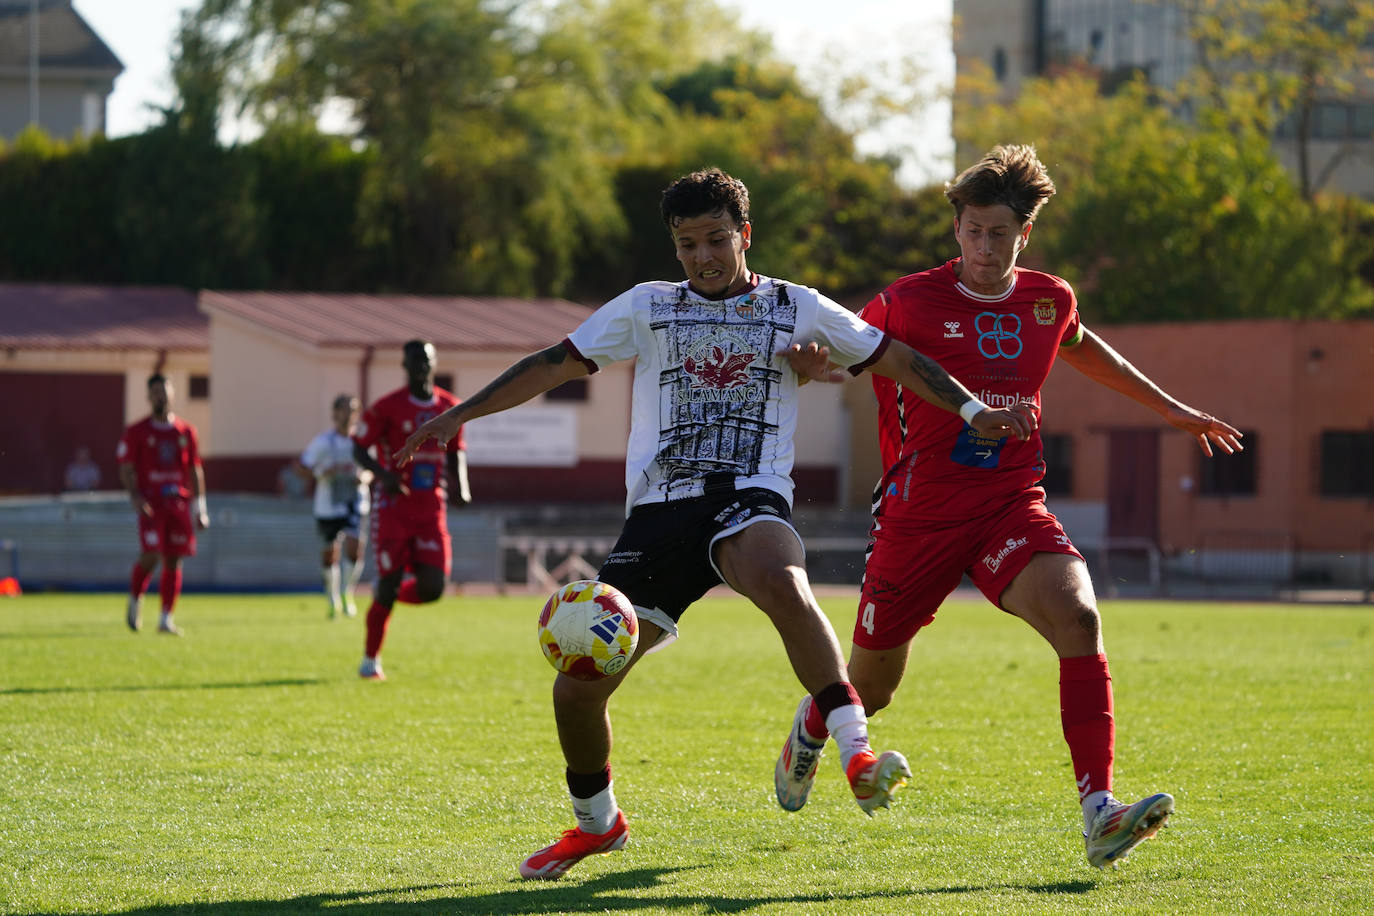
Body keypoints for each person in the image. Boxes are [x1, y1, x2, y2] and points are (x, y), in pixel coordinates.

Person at [396, 167, 1034, 881]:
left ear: (745, 235)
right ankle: (598, 825)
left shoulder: (796, 305)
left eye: (716, 240)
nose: (702, 256)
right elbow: (553, 364)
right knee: (576, 687)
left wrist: (975, 411)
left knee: (781, 579)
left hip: (747, 496)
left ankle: (855, 753)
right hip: (658, 516)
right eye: (687, 243)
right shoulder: (646, 306)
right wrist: (459, 414)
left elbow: (897, 359)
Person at [773, 145, 1244, 869]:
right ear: (956, 228)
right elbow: (844, 352)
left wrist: (1172, 410)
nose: (984, 248)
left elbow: (1085, 348)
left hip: (1010, 505)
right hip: (918, 518)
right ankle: (812, 729)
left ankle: (1099, 812)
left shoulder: (1049, 299)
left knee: (1079, 618)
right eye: (973, 231)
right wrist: (812, 368)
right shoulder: (906, 301)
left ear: (1025, 232)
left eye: (999, 233)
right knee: (871, 689)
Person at [351, 340, 472, 680]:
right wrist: (384, 476)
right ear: (404, 365)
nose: (421, 366)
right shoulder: (386, 407)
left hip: (431, 508)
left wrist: (462, 486)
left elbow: (456, 451)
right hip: (394, 508)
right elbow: (358, 448)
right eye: (415, 360)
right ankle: (370, 659)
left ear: (435, 363)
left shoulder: (450, 407)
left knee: (433, 587)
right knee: (389, 584)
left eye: (426, 360)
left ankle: (383, 594)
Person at [116, 374, 210, 635]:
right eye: (156, 392)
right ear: (149, 397)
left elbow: (194, 470)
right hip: (151, 503)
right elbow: (126, 468)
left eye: (164, 392)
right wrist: (135, 497)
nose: (160, 397)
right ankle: (135, 597)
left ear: (172, 395)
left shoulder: (186, 432)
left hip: (177, 503)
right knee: (152, 553)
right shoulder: (137, 432)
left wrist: (200, 508)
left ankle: (165, 618)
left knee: (174, 558)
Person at [296, 394, 371, 619]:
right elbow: (301, 467)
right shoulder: (323, 442)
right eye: (343, 409)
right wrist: (321, 473)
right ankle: (332, 598)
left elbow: (373, 468)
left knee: (355, 549)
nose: (348, 414)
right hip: (328, 505)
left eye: (352, 409)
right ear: (334, 413)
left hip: (355, 502)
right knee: (330, 554)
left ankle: (347, 592)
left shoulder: (363, 441)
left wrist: (364, 478)